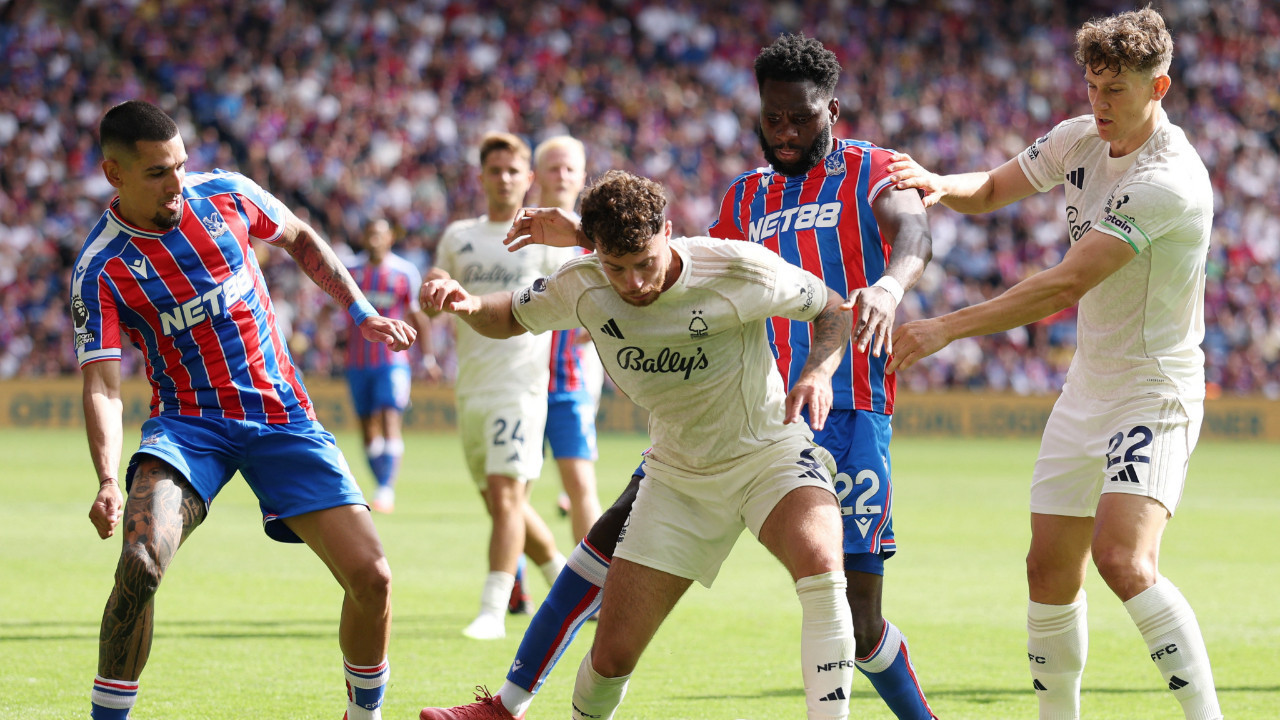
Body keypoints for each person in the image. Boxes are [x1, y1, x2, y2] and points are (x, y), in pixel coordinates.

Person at [419, 33, 938, 720]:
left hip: (841, 406)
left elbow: (913, 231)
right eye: (771, 117)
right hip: (713, 417)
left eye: (800, 118)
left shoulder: (875, 168)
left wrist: (892, 288)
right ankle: (509, 702)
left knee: (857, 616)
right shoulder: (745, 197)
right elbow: (665, 259)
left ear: (833, 110)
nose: (783, 132)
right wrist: (579, 233)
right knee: (608, 548)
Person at [423, 169, 858, 720]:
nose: (631, 284)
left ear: (669, 233)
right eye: (615, 267)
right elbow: (509, 314)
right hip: (676, 477)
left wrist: (818, 372)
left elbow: (831, 308)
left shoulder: (736, 267)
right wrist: (465, 306)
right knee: (610, 659)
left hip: (767, 452)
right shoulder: (582, 282)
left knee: (821, 566)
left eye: (645, 264)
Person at [884, 8, 1221, 720]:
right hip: (1088, 388)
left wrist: (947, 327)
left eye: (1117, 90)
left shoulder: (1170, 181)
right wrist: (940, 182)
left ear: (1159, 87)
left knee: (1124, 562)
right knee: (1046, 568)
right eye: (1093, 85)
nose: (1099, 104)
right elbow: (995, 189)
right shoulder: (1079, 136)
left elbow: (1065, 283)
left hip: (1152, 391)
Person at [75, 100, 415, 720]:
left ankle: (362, 717)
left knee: (374, 580)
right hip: (187, 429)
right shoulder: (101, 268)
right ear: (113, 174)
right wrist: (106, 477)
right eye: (156, 173)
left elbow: (301, 238)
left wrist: (360, 309)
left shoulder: (227, 193)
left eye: (180, 165)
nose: (177, 183)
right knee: (140, 563)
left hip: (282, 415)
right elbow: (101, 382)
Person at [427, 131, 569, 640]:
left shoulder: (546, 238)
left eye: (514, 171)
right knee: (502, 503)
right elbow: (435, 284)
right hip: (473, 388)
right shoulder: (460, 235)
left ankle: (492, 611)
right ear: (482, 176)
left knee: (508, 499)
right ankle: (568, 582)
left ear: (528, 179)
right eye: (496, 170)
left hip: (521, 386)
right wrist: (433, 294)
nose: (505, 178)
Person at [532, 135, 603, 543]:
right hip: (516, 381)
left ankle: (587, 593)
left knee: (581, 488)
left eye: (569, 168)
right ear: (536, 174)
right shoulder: (516, 236)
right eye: (553, 167)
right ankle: (518, 578)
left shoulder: (596, 245)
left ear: (582, 178)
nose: (561, 175)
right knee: (509, 492)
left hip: (568, 383)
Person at [344, 217, 433, 513]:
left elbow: (417, 316)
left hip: (393, 361)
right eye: (369, 234)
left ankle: (385, 488)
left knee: (389, 416)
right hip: (357, 362)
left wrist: (428, 357)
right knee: (368, 427)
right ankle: (381, 483)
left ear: (389, 238)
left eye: (379, 235)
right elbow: (336, 309)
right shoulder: (351, 271)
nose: (373, 240)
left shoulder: (404, 272)